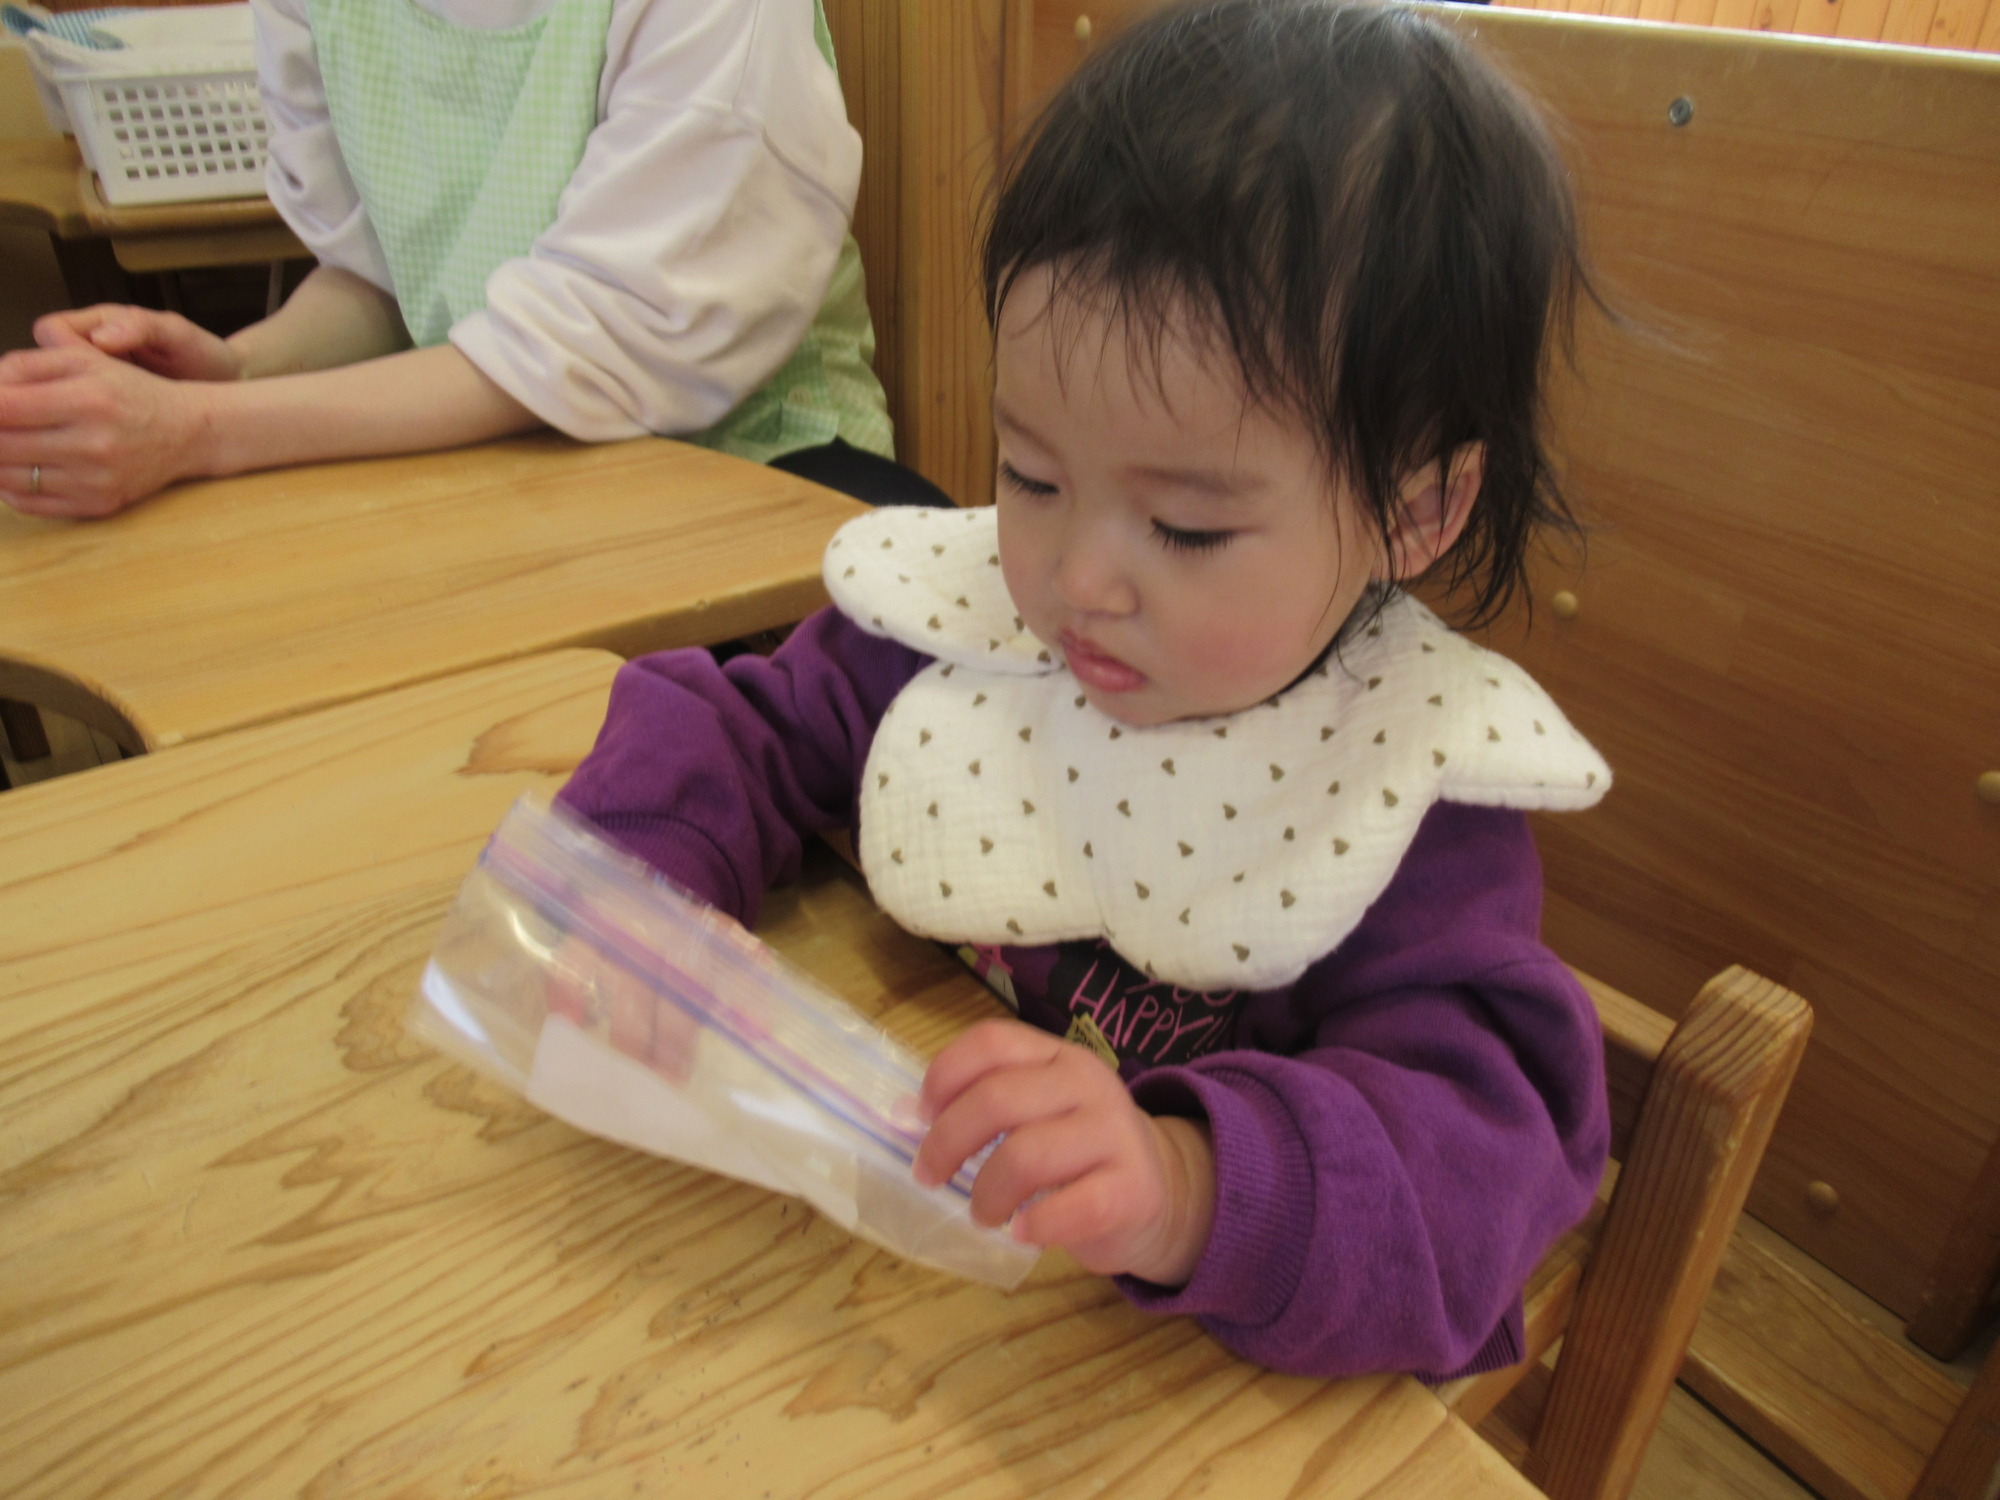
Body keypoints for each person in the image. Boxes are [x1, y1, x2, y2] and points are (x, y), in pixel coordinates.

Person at [551, 0, 1612, 1380]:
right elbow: (738, 719)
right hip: (854, 1306)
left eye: (1186, 528)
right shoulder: (980, 631)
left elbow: (1474, 1168)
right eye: (1032, 474)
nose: (1077, 580)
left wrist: (1187, 1186)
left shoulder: (1403, 811)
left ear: (1413, 511)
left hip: (1143, 1384)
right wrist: (637, 889)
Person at [0, 0, 935, 517]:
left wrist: (202, 429)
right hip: (495, 471)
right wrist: (241, 366)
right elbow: (384, 279)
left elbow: (590, 348)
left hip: (757, 465)